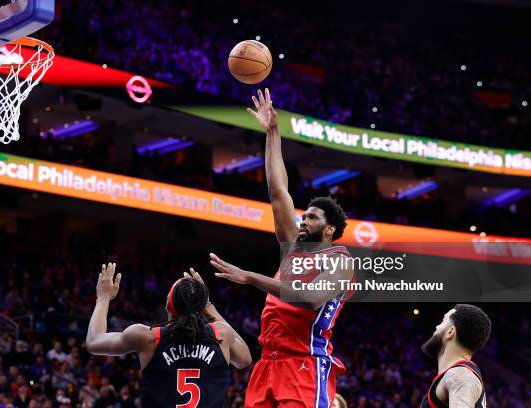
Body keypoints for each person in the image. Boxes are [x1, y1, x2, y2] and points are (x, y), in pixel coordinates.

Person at [209, 89, 355, 407]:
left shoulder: (340, 261)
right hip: (268, 363)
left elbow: (309, 298)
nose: (302, 221)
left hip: (305, 363)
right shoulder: (294, 251)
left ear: (329, 229)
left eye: (312, 218)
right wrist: (273, 132)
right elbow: (278, 191)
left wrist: (250, 278)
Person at [86, 263, 251, 408]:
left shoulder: (147, 338)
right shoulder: (220, 334)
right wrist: (208, 306)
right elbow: (245, 360)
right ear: (200, 307)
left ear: (169, 303)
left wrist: (103, 298)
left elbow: (94, 341)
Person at [420, 304, 491, 408]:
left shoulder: (460, 375)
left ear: (450, 332)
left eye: (443, 322)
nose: (437, 326)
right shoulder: (459, 374)